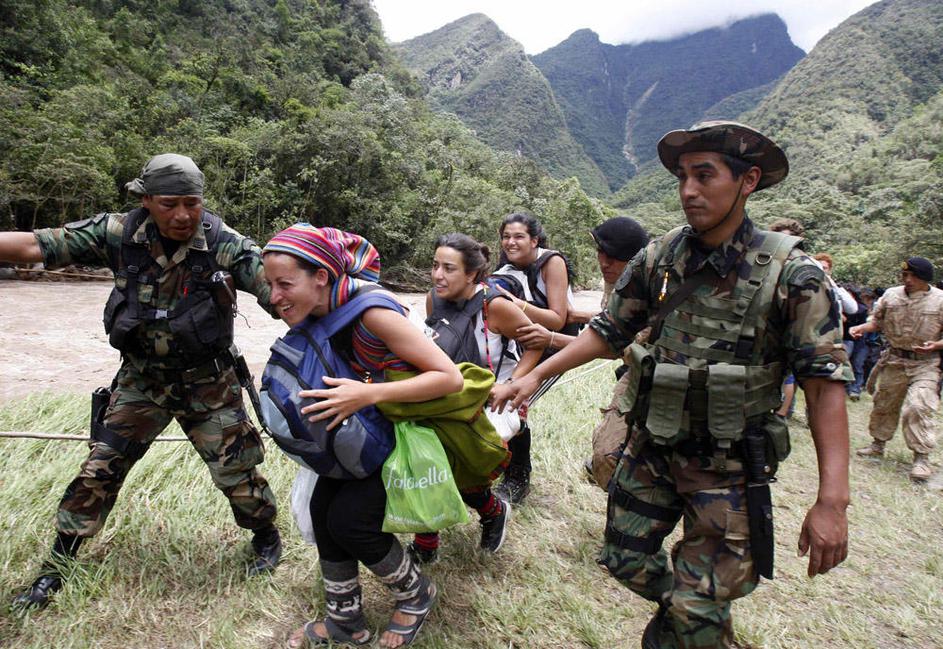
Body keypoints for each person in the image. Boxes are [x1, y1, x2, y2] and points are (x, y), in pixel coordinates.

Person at [493, 121, 851, 649]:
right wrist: (533, 377)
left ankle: (694, 620)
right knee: (623, 559)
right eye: (683, 176)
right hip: (652, 448)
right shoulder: (660, 258)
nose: (689, 190)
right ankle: (695, 620)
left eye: (705, 175)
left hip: (729, 465)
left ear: (748, 180)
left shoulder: (794, 276)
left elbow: (824, 387)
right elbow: (608, 332)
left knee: (695, 607)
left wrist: (832, 501)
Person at [0, 154, 282, 610]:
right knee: (100, 469)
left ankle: (266, 536)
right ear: (146, 200)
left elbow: (275, 289)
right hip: (142, 382)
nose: (183, 215)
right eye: (170, 204)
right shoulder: (117, 233)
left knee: (237, 473)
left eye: (192, 203)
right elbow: (37, 245)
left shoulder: (222, 242)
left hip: (208, 384)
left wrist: (332, 307)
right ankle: (58, 563)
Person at [262, 224, 463, 648]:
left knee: (352, 521)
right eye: (270, 285)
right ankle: (345, 620)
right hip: (362, 426)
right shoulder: (318, 307)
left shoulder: (373, 312)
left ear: (321, 277)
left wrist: (367, 393)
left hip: (400, 426)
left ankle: (416, 593)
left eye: (285, 284)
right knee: (322, 510)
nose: (274, 297)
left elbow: (450, 378)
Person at [408, 232, 545, 562]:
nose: (438, 275)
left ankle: (491, 512)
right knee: (426, 459)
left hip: (491, 400)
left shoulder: (495, 306)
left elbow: (536, 344)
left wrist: (512, 384)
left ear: (471, 274)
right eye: (435, 266)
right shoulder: (434, 298)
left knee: (459, 467)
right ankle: (430, 542)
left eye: (449, 268)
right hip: (448, 396)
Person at [514, 217, 651, 489]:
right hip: (634, 373)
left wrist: (551, 338)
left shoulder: (651, 285)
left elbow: (618, 346)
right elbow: (612, 319)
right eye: (601, 252)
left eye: (615, 257)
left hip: (651, 372)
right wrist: (576, 315)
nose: (604, 263)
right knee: (608, 452)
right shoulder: (617, 280)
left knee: (618, 456)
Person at [850, 257, 943, 482]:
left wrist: (936, 345)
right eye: (904, 275)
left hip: (926, 364)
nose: (907, 280)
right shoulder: (891, 295)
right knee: (884, 403)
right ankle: (877, 444)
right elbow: (877, 322)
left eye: (913, 276)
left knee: (919, 405)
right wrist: (862, 327)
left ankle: (921, 457)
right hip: (895, 360)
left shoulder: (940, 300)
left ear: (925, 279)